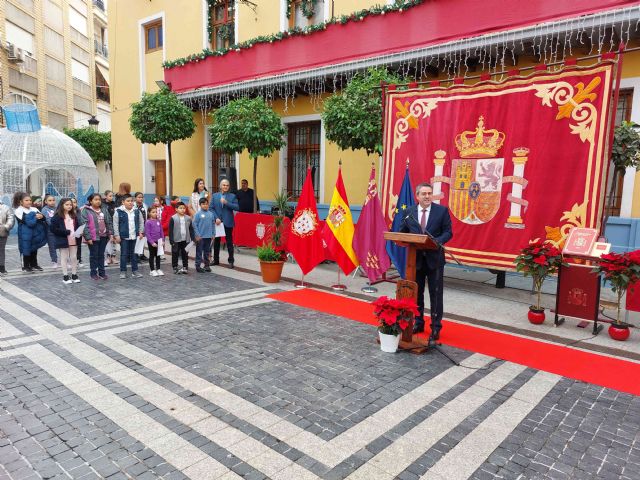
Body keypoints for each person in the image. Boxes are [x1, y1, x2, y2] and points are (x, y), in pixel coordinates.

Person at [400, 182, 453, 341]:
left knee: (435, 294)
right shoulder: (409, 212)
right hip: (415, 259)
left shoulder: (441, 211)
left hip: (434, 259)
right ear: (417, 196)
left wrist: (437, 241)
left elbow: (448, 232)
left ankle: (435, 327)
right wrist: (401, 237)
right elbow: (404, 232)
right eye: (424, 194)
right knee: (417, 293)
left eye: (429, 193)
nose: (427, 196)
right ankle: (418, 322)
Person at [81, 193, 113, 280]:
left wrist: (110, 233)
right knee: (94, 255)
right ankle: (93, 273)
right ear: (91, 201)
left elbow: (109, 221)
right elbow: (84, 224)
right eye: (95, 199)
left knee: (101, 255)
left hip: (103, 236)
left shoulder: (104, 209)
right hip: (93, 237)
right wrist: (88, 237)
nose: (98, 201)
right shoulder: (86, 210)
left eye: (99, 199)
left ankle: (102, 273)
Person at [13, 192, 47, 272]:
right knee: (25, 248)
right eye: (26, 200)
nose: (29, 202)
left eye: (30, 200)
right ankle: (25, 266)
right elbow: (26, 221)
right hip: (24, 234)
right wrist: (35, 216)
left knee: (34, 248)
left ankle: (34, 264)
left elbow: (43, 218)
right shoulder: (18, 210)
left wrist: (41, 216)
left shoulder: (34, 209)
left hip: (34, 233)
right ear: (21, 202)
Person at [113, 194, 145, 279]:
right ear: (123, 202)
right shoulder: (118, 211)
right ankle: (123, 271)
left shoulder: (136, 211)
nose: (130, 202)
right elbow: (115, 224)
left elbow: (141, 222)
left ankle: (135, 270)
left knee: (134, 254)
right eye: (128, 201)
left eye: (131, 201)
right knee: (124, 254)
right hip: (124, 237)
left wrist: (141, 232)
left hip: (134, 236)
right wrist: (117, 235)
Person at [50, 198, 80, 284]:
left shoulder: (74, 216)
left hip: (73, 239)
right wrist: (65, 232)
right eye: (67, 205)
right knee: (64, 257)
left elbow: (77, 226)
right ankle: (65, 276)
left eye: (70, 205)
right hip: (63, 239)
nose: (69, 206)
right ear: (62, 205)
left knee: (74, 257)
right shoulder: (57, 217)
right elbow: (53, 229)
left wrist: (79, 232)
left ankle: (74, 274)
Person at [210, 179, 239, 268]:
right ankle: (216, 260)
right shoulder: (214, 196)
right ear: (220, 186)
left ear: (229, 187)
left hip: (228, 222)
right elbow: (211, 208)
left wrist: (227, 203)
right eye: (224, 185)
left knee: (229, 242)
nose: (225, 187)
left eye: (227, 185)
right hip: (218, 222)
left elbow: (237, 207)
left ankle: (231, 261)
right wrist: (216, 218)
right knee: (217, 242)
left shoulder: (232, 196)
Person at [168, 202, 194, 275]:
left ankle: (185, 267)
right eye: (180, 208)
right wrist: (171, 240)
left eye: (184, 208)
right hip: (176, 240)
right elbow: (170, 230)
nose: (182, 210)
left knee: (185, 253)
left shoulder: (188, 218)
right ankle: (175, 267)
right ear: (176, 209)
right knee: (175, 253)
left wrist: (193, 238)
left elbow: (191, 229)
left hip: (185, 240)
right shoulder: (173, 218)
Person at [192, 197, 215, 273]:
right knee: (199, 251)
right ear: (200, 205)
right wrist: (197, 235)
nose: (205, 205)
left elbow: (213, 224)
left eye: (206, 204)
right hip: (200, 237)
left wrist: (213, 234)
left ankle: (207, 265)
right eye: (203, 204)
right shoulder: (198, 214)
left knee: (207, 251)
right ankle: (198, 265)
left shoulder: (211, 214)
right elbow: (194, 225)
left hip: (208, 236)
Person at [145, 206, 164, 276]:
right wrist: (152, 242)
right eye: (153, 212)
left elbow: (161, 231)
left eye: (156, 212)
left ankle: (158, 269)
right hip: (152, 242)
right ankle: (152, 270)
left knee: (158, 255)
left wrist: (163, 240)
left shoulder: (158, 221)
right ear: (149, 213)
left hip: (159, 241)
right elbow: (147, 233)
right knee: (152, 255)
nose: (155, 213)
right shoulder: (148, 222)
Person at [41, 194, 58, 267]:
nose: (52, 202)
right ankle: (54, 261)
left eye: (53, 200)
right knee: (52, 246)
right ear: (45, 201)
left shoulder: (57, 208)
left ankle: (66, 260)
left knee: (63, 246)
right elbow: (48, 220)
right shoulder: (44, 209)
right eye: (50, 200)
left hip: (59, 230)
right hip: (50, 231)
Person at [0, 199, 15, 275]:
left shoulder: (6, 207)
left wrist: (6, 227)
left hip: (2, 232)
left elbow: (11, 218)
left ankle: (1, 266)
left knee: (1, 250)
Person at [103, 190, 117, 265]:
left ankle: (113, 256)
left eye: (113, 196)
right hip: (106, 224)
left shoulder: (114, 204)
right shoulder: (103, 204)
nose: (112, 197)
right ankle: (108, 256)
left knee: (113, 241)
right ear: (105, 196)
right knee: (108, 241)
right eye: (110, 196)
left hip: (114, 224)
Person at [133, 192, 148, 261]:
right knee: (136, 241)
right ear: (135, 198)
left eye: (142, 197)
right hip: (136, 226)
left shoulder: (144, 205)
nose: (141, 199)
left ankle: (141, 254)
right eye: (139, 197)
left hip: (144, 225)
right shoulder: (133, 206)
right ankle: (135, 255)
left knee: (142, 240)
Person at [71, 197, 84, 267]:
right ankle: (71, 260)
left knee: (78, 246)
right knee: (71, 246)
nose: (73, 204)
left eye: (74, 202)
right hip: (70, 232)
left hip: (78, 231)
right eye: (71, 202)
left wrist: (82, 230)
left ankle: (79, 259)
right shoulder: (67, 212)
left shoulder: (79, 211)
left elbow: (81, 221)